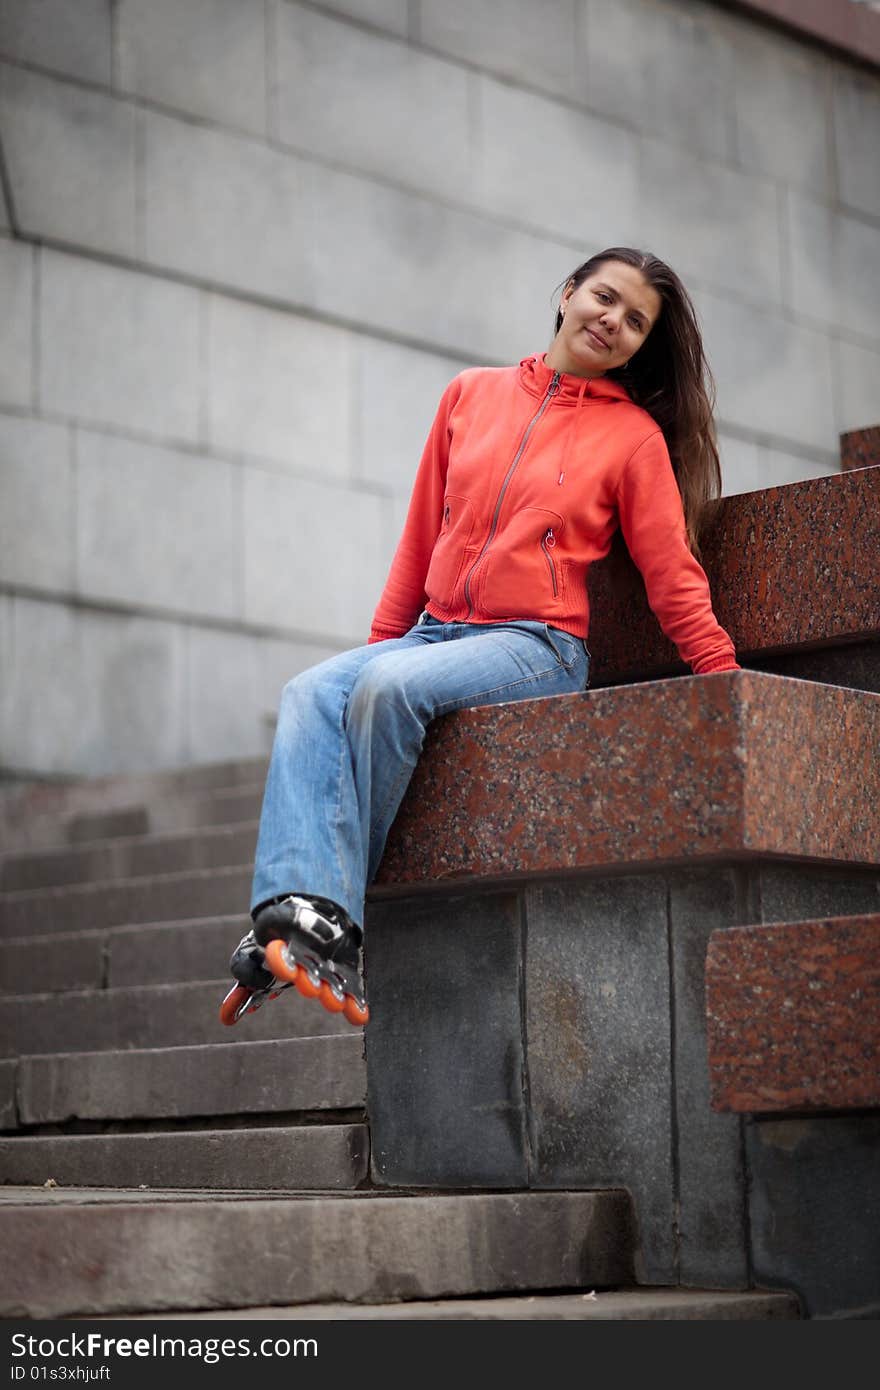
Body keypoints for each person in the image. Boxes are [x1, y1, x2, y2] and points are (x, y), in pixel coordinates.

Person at [219, 246, 740, 1030]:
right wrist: (380, 646)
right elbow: (419, 542)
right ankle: (299, 915)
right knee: (313, 690)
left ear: (640, 345)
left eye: (635, 321)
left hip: (537, 646)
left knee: (388, 690)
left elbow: (672, 572)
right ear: (567, 294)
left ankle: (327, 922)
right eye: (605, 298)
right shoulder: (470, 394)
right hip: (435, 635)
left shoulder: (632, 440)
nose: (614, 321)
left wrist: (723, 675)